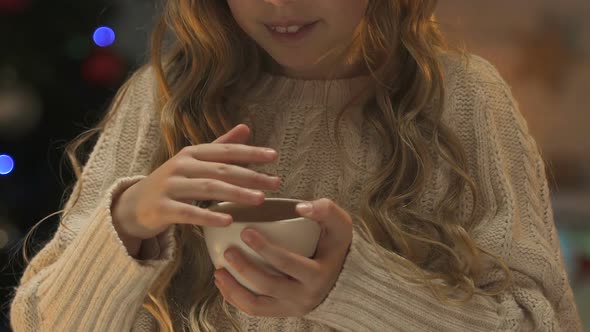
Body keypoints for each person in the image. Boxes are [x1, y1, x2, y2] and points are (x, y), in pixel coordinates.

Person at [9, 0, 583, 331]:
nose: (278, 3)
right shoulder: (164, 97)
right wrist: (128, 222)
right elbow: (38, 321)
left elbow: (540, 321)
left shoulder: (463, 99)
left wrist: (354, 289)